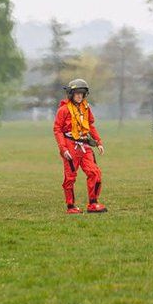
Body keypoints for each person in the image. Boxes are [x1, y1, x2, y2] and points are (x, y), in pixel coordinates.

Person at [53, 79, 107, 214]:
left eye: (81, 94)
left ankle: (93, 204)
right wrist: (63, 148)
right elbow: (57, 129)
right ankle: (71, 206)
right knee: (70, 177)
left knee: (95, 173)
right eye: (77, 93)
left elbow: (91, 126)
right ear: (71, 94)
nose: (79, 96)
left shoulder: (86, 108)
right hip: (70, 146)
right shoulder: (63, 110)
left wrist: (98, 142)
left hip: (85, 146)